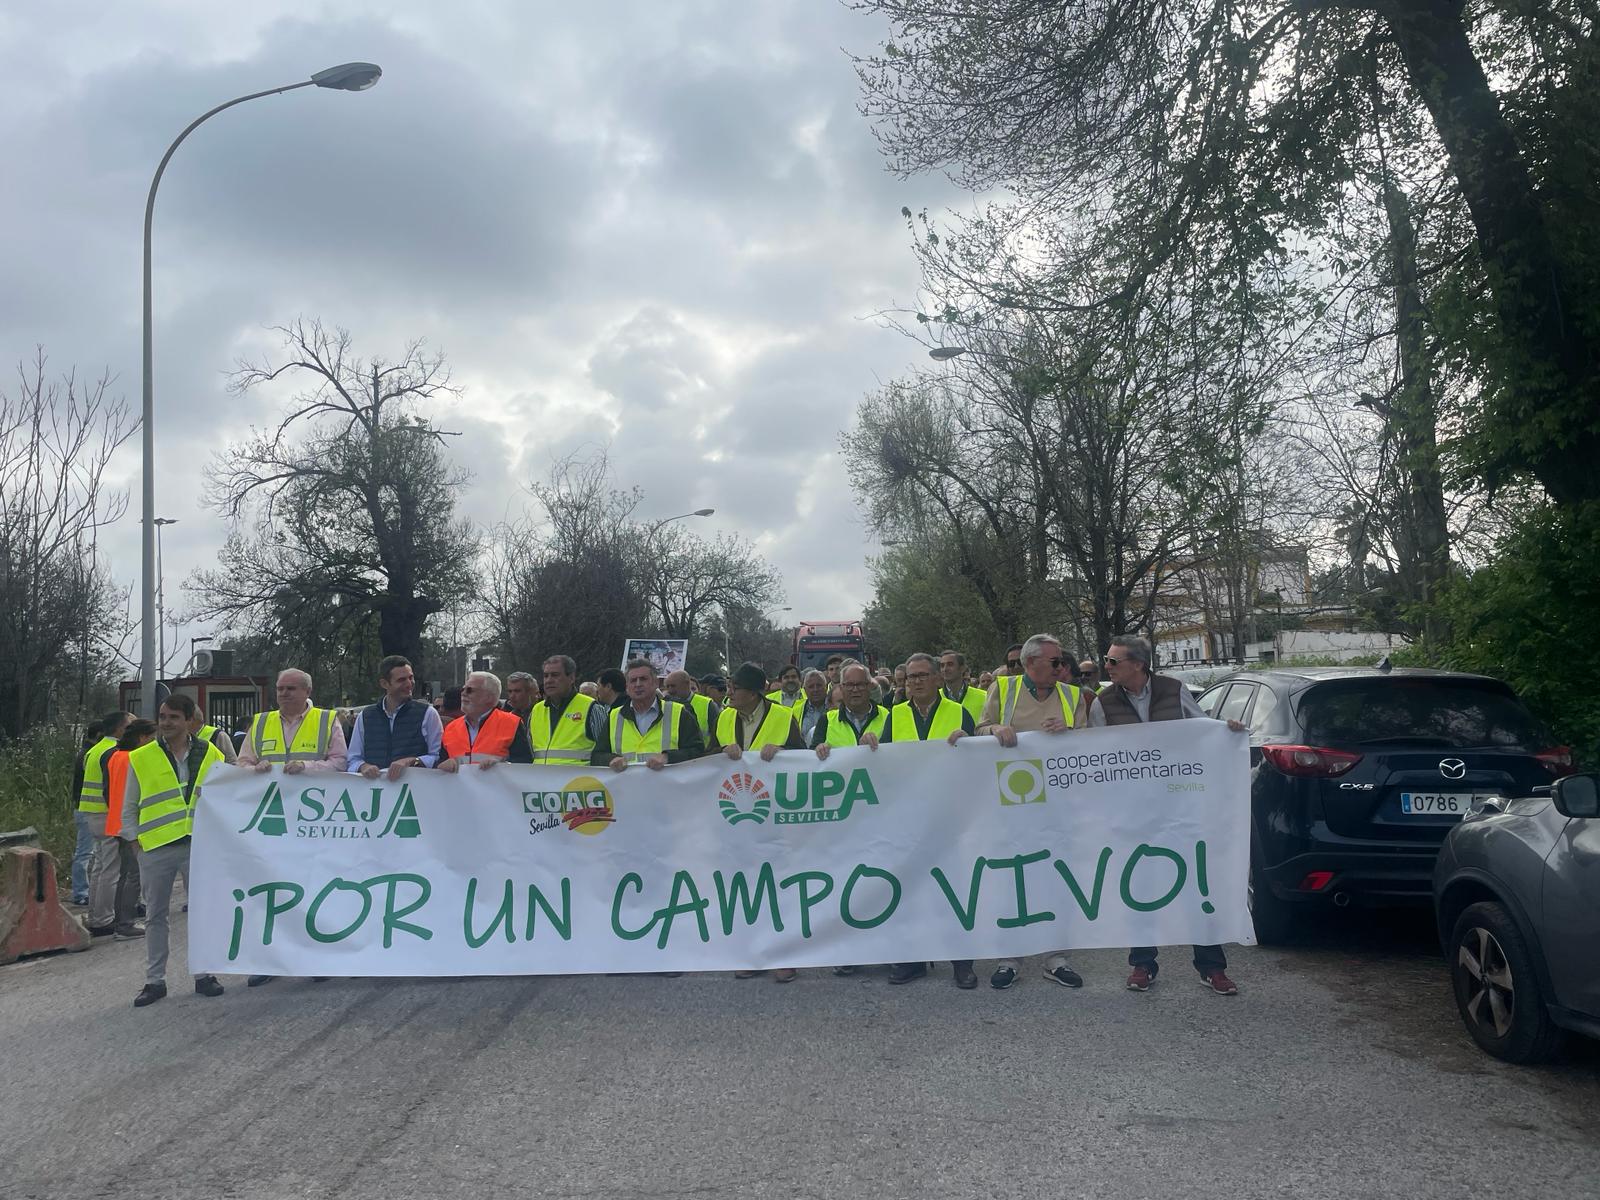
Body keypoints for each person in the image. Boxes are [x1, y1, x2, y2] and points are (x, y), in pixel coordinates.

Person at [1091, 634, 1243, 996]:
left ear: (1138, 665)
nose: (1107, 667)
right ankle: (1142, 964)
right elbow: (1095, 753)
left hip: (1180, 807)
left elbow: (1202, 732)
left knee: (1194, 884)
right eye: (1107, 661)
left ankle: (1212, 967)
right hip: (1133, 811)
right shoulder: (1103, 703)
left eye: (1114, 661)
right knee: (1139, 887)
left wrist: (1228, 732)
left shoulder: (1174, 690)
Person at [979, 633, 1093, 990]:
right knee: (1013, 878)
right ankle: (1010, 956)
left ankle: (1056, 957)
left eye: (1062, 662)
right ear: (1031, 664)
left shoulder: (1072, 695)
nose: (1062, 667)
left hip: (1057, 804)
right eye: (1055, 662)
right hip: (1011, 803)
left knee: (1056, 876)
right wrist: (996, 728)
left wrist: (1071, 731)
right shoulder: (1003, 689)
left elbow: (1090, 745)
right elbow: (979, 730)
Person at [120, 694, 227, 1007]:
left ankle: (204, 974)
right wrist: (135, 843)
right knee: (155, 916)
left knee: (202, 913)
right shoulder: (141, 757)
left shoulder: (211, 752)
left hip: (198, 845)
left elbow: (227, 793)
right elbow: (129, 805)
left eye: (173, 718)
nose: (166, 723)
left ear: (189, 720)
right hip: (155, 847)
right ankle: (155, 981)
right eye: (163, 717)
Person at [888, 653, 978, 989]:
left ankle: (962, 962)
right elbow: (879, 761)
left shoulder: (958, 713)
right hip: (908, 816)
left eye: (923, 675)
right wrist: (869, 745)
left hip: (949, 815)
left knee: (953, 888)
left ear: (938, 678)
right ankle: (912, 959)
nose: (916, 682)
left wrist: (970, 743)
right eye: (910, 677)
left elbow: (978, 761)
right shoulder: (895, 715)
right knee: (910, 888)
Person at [719, 662, 807, 984]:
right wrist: (720, 750)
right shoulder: (724, 716)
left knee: (780, 888)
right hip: (737, 816)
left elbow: (804, 760)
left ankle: (786, 956)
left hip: (775, 818)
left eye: (735, 688)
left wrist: (783, 751)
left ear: (754, 692)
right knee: (746, 888)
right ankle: (753, 953)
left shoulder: (784, 718)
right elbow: (708, 760)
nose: (730, 692)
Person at [94, 718, 154, 941]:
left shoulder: (115, 756)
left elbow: (108, 791)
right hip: (132, 825)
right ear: (142, 738)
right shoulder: (135, 759)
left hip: (116, 822)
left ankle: (120, 921)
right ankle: (125, 924)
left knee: (124, 875)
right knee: (134, 876)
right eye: (152, 738)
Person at [591, 659, 705, 770]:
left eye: (643, 679)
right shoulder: (614, 716)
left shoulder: (679, 712)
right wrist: (610, 760)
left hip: (667, 787)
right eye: (633, 680)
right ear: (627, 687)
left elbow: (697, 751)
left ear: (655, 683)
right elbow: (597, 756)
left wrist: (668, 757)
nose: (638, 684)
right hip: (627, 787)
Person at [348, 655, 442, 781]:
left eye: (411, 677)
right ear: (384, 683)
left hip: (415, 793)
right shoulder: (365, 717)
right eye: (401, 680)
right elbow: (353, 759)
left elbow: (437, 757)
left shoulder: (428, 714)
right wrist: (363, 766)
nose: (409, 684)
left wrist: (412, 761)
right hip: (375, 794)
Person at [237, 668, 348, 774]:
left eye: (291, 688)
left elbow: (340, 763)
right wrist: (255, 769)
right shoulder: (260, 721)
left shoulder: (327, 720)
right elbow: (242, 763)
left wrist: (305, 766)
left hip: (311, 792)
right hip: (270, 792)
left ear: (308, 691)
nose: (284, 693)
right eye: (280, 689)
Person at [73, 710, 129, 910]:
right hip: (107, 815)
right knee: (111, 870)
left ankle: (96, 913)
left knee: (99, 866)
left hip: (90, 812)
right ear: (120, 728)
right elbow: (110, 788)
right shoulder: (113, 751)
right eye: (129, 725)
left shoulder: (93, 750)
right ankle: (104, 917)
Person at [438, 671, 533, 771]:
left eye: (470, 690)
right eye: (463, 689)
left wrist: (503, 765)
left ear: (488, 697)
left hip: (497, 786)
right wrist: (442, 765)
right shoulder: (451, 728)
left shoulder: (511, 723)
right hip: (459, 786)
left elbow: (525, 764)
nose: (463, 693)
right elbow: (440, 763)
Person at [531, 655, 607, 764]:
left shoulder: (592, 708)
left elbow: (605, 752)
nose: (549, 680)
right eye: (546, 676)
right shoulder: (537, 710)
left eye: (555, 675)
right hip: (541, 779)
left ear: (571, 678)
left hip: (579, 780)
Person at [664, 668, 720, 750]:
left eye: (673, 686)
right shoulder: (665, 705)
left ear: (686, 684)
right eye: (667, 687)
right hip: (674, 758)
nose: (670, 690)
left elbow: (718, 737)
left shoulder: (708, 705)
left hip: (701, 759)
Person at [939, 650, 987, 725]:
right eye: (942, 666)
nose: (945, 669)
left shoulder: (984, 697)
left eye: (950, 664)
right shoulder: (934, 698)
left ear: (962, 668)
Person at [794, 669, 830, 744]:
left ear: (826, 687)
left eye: (819, 685)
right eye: (811, 687)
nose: (815, 689)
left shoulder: (836, 706)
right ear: (804, 690)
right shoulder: (795, 711)